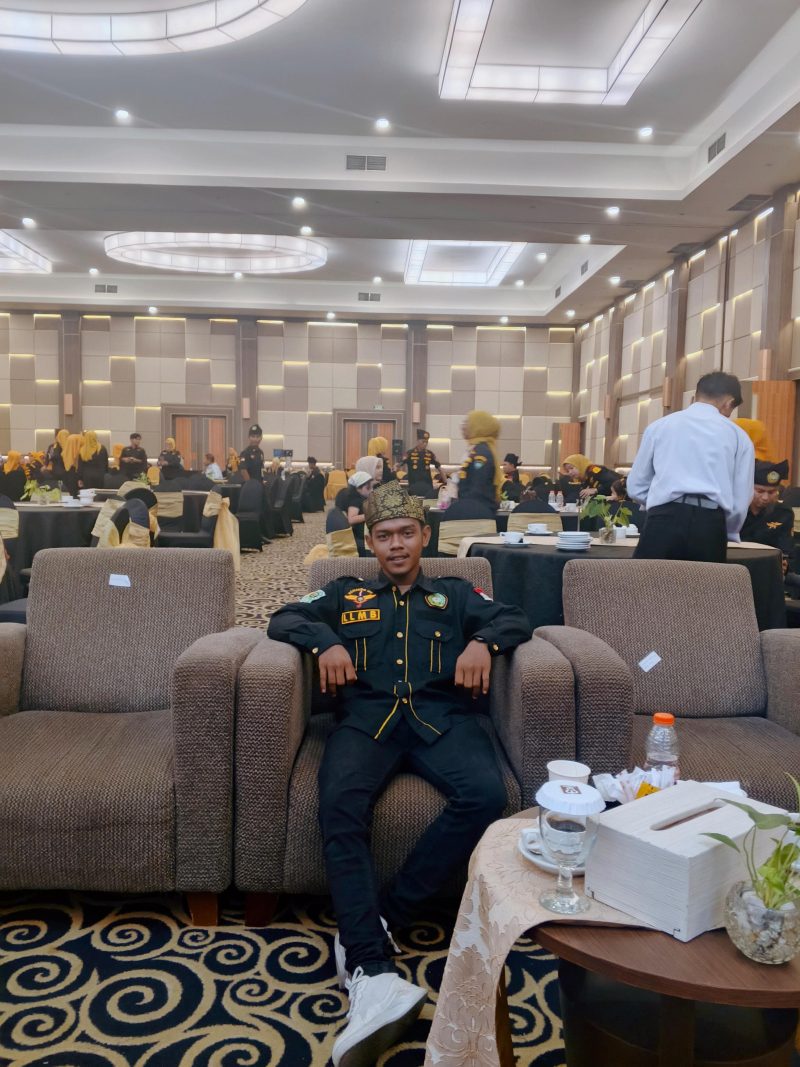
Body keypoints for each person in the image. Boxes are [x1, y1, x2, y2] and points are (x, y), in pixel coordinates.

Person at [267, 481, 531, 1067]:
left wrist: (483, 644)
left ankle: (385, 915)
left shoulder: (455, 594)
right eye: (384, 535)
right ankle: (371, 967)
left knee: (485, 795)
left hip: (441, 720)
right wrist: (325, 642)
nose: (395, 545)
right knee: (339, 804)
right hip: (367, 721)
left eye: (406, 533)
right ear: (370, 542)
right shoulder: (346, 593)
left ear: (424, 536)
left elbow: (516, 618)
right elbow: (283, 617)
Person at [627, 371, 754, 563]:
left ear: (695, 396)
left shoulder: (659, 426)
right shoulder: (739, 436)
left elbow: (636, 486)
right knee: (704, 583)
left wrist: (659, 501)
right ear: (729, 403)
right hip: (710, 524)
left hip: (662, 519)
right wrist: (727, 528)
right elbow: (741, 497)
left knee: (649, 581)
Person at [445, 410, 502, 520]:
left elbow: (477, 488)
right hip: (473, 512)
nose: (462, 426)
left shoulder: (481, 454)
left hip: (476, 515)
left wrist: (462, 508)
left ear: (478, 427)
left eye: (467, 422)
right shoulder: (475, 450)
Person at [740, 460, 794, 573]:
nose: (765, 497)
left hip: (769, 568)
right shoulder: (736, 509)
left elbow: (785, 547)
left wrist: (784, 562)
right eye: (760, 491)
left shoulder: (783, 513)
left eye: (771, 492)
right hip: (737, 566)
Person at [333, 469, 375, 556]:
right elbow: (351, 519)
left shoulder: (359, 498)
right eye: (368, 488)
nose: (371, 490)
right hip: (359, 536)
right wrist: (371, 514)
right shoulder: (356, 500)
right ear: (358, 488)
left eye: (372, 487)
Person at [400, 430, 441, 497]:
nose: (425, 444)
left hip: (427, 486)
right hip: (414, 485)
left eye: (426, 442)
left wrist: (446, 482)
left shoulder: (430, 454)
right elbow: (400, 464)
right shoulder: (409, 453)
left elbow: (439, 467)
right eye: (423, 441)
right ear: (418, 441)